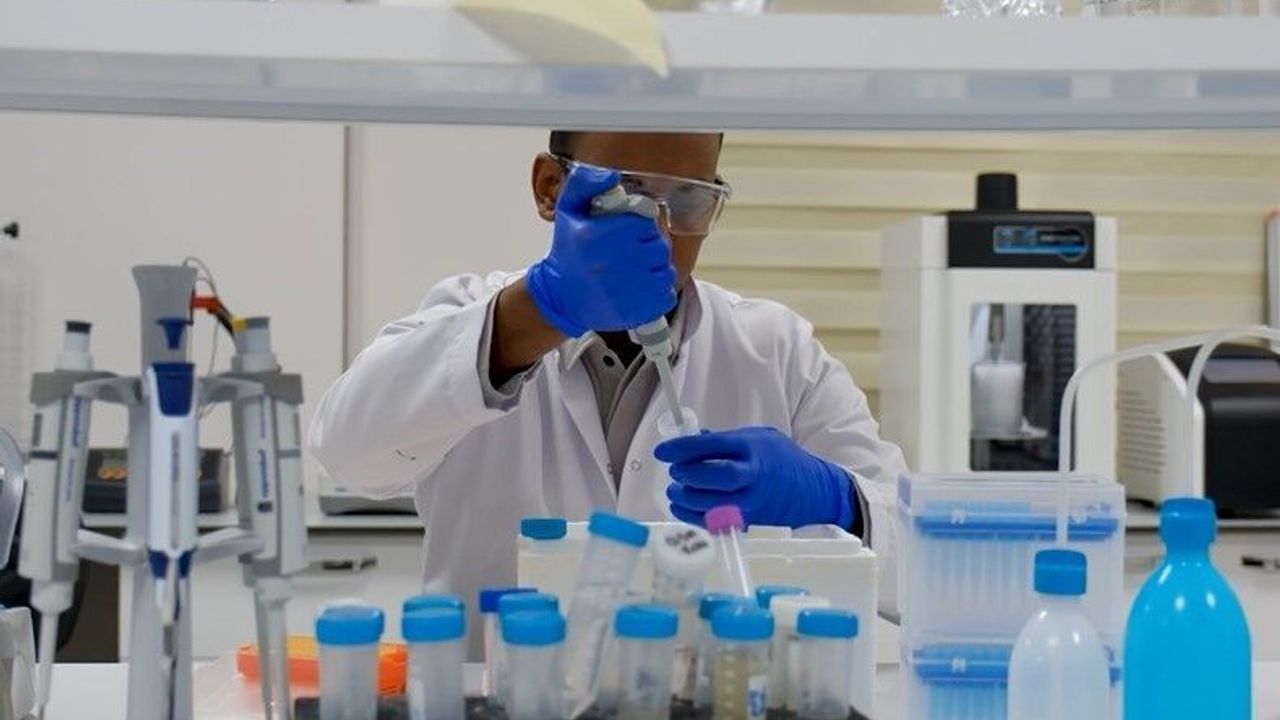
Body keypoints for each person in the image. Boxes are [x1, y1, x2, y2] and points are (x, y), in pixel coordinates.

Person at [309, 131, 907, 648]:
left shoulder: (776, 351)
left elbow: (921, 568)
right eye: (628, 195)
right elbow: (347, 455)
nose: (661, 232)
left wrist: (843, 502)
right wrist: (532, 316)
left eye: (688, 200)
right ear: (550, 187)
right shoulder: (469, 317)